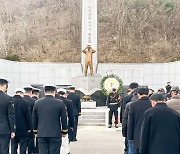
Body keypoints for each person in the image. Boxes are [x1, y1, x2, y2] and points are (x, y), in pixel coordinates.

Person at [32, 84, 68, 154]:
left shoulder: (37, 103)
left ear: (45, 92)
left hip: (42, 133)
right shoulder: (60, 103)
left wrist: (35, 131)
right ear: (54, 91)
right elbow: (64, 118)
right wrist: (64, 131)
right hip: (55, 133)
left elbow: (34, 118)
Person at [127, 86, 152, 154]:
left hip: (137, 135)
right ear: (148, 93)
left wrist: (130, 137)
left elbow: (130, 122)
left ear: (138, 94)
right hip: (150, 136)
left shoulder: (133, 105)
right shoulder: (152, 104)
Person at [11, 88, 32, 154]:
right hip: (23, 128)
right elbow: (28, 116)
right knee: (23, 147)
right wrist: (29, 127)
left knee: (13, 146)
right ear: (22, 93)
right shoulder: (25, 102)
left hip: (12, 128)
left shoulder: (10, 101)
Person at [56, 89, 74, 154]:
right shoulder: (68, 102)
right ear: (64, 94)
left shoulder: (54, 101)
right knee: (65, 142)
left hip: (54, 125)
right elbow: (71, 115)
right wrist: (72, 125)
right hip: (65, 124)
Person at [0, 78, 16, 154]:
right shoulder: (8, 98)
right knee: (4, 150)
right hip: (4, 129)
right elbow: (11, 116)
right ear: (4, 86)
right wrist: (13, 130)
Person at [24, 86, 36, 154]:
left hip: (21, 125)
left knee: (22, 142)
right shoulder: (33, 101)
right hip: (31, 124)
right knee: (31, 140)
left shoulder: (21, 100)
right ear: (31, 92)